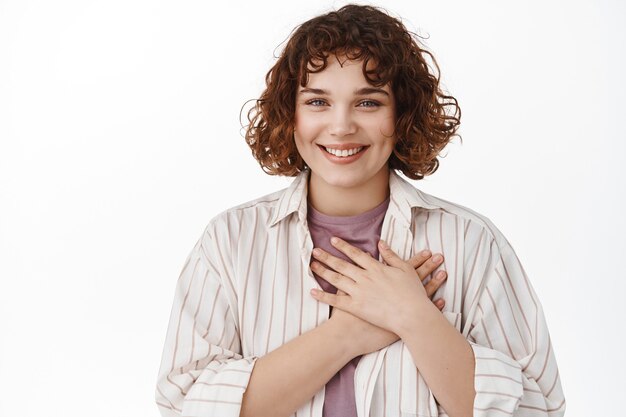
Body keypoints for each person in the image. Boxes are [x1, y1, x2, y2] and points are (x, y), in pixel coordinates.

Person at [155, 4, 566, 417]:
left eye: (368, 103)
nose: (341, 126)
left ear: (402, 113)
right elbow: (186, 404)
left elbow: (539, 409)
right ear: (290, 114)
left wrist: (414, 317)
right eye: (317, 101)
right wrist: (349, 333)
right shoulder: (229, 241)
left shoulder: (472, 242)